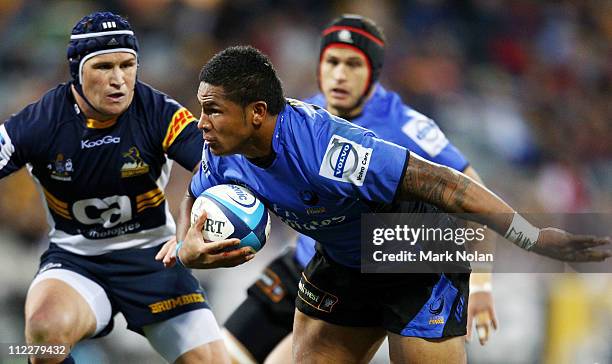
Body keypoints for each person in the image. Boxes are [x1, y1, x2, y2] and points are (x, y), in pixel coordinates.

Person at [157, 45, 610, 363]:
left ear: (256, 112)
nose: (201, 123)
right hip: (343, 258)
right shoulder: (222, 156)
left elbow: (443, 184)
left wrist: (534, 237)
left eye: (212, 109)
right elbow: (197, 193)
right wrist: (186, 241)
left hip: (413, 249)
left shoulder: (325, 150)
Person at [217, 14, 497, 363]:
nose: (339, 75)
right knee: (220, 354)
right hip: (309, 266)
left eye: (353, 64)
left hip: (376, 272)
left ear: (373, 74)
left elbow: (472, 195)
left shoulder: (405, 127)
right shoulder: (296, 115)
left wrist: (482, 283)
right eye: (332, 62)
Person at [0, 12, 251, 364]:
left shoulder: (159, 112)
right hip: (77, 259)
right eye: (104, 67)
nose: (118, 79)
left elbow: (216, 164)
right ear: (76, 72)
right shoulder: (40, 121)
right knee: (44, 333)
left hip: (155, 259)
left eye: (127, 64)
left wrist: (196, 228)